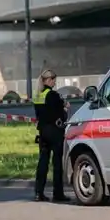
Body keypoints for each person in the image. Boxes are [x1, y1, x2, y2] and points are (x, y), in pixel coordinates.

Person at [33, 69, 70, 202]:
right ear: (49, 80)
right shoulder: (53, 95)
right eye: (53, 79)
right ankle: (58, 193)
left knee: (43, 162)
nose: (54, 82)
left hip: (43, 132)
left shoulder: (38, 95)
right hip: (55, 132)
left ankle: (39, 192)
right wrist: (65, 109)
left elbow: (39, 115)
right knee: (57, 163)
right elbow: (60, 115)